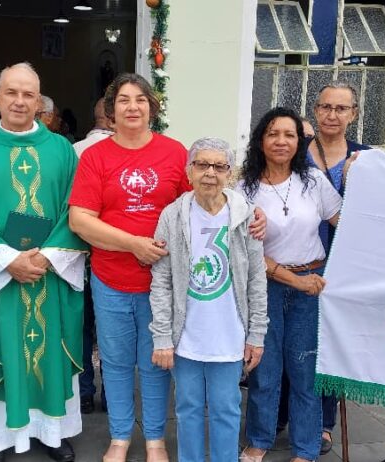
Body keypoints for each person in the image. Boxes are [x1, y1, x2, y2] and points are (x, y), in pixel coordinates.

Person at [0, 62, 86, 462]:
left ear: (39, 101)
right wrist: (8, 261)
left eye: (28, 94)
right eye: (11, 93)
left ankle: (50, 433)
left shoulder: (62, 150)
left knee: (49, 351)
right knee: (3, 352)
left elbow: (75, 210)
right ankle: (1, 437)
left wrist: (45, 256)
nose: (20, 101)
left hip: (50, 271)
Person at [68, 72, 187, 462]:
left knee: (156, 361)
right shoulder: (95, 157)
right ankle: (119, 436)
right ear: (110, 109)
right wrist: (133, 244)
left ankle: (154, 439)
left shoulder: (175, 153)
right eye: (123, 100)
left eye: (140, 99)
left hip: (163, 282)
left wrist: (245, 211)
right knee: (117, 362)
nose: (132, 106)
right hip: (111, 279)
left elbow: (200, 207)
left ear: (152, 107)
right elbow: (80, 220)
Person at [149, 137, 269, 462]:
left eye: (219, 166)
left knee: (226, 410)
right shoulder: (172, 216)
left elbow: (257, 280)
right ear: (189, 171)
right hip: (185, 336)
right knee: (187, 409)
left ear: (230, 173)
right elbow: (160, 280)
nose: (210, 173)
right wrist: (162, 337)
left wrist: (256, 335)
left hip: (229, 336)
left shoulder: (245, 216)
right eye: (202, 164)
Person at [239, 107, 344, 462]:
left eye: (289, 134)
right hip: (265, 289)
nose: (281, 141)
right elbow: (247, 252)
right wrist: (294, 281)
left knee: (305, 371)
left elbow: (343, 223)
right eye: (273, 133)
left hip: (313, 288)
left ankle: (306, 447)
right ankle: (259, 440)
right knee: (263, 372)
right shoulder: (243, 190)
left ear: (299, 142)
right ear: (260, 141)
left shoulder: (313, 182)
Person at [305, 81, 371, 454]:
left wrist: (355, 180)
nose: (332, 115)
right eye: (325, 107)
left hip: (343, 264)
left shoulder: (366, 157)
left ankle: (323, 422)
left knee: (330, 343)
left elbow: (372, 213)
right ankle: (288, 413)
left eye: (340, 108)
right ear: (315, 110)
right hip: (295, 260)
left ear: (353, 114)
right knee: (295, 342)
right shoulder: (295, 151)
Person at [72, 96, 114, 415]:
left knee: (82, 328)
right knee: (111, 333)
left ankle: (84, 393)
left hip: (79, 255)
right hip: (113, 256)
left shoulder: (73, 151)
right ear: (112, 119)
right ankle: (113, 395)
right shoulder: (116, 155)